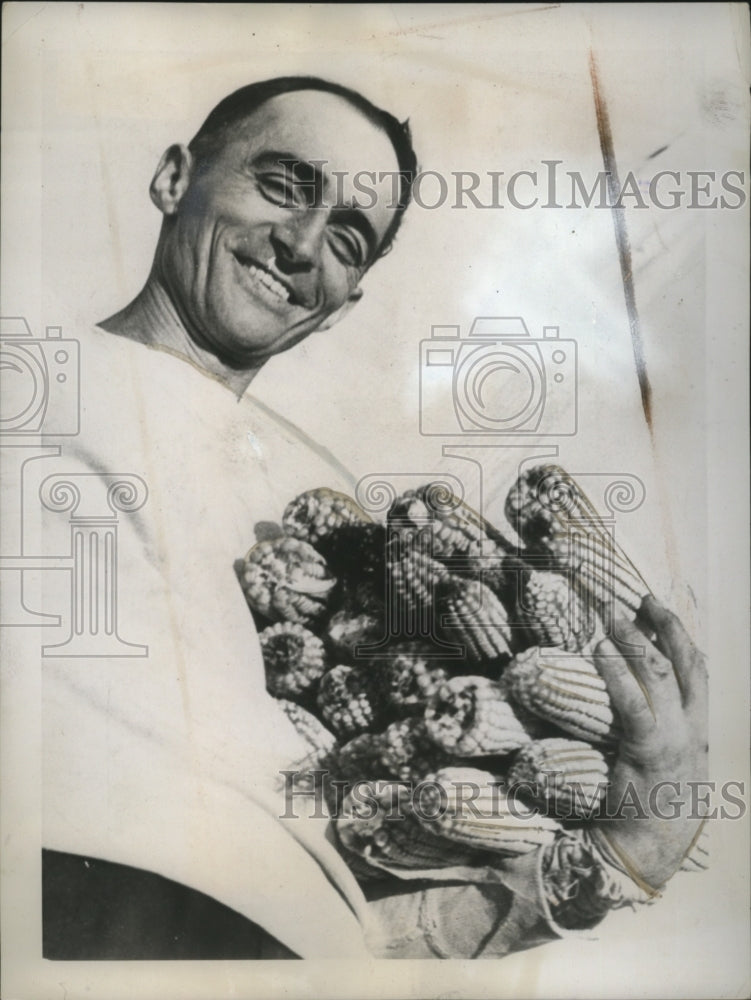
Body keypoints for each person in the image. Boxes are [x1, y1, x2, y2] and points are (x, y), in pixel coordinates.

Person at [40, 76, 708, 960]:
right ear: (173, 179)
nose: (302, 243)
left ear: (343, 304)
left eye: (348, 237)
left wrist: (622, 851)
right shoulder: (45, 394)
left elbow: (367, 915)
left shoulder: (321, 493)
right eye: (283, 184)